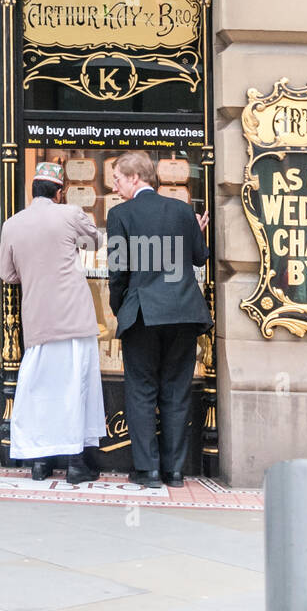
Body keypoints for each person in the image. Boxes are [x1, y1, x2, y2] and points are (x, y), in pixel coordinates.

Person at [106, 150, 211, 489]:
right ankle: (175, 472)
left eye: (118, 179)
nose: (116, 186)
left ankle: (148, 470)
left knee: (141, 391)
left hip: (142, 314)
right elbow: (198, 258)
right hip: (183, 312)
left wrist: (119, 307)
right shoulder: (182, 210)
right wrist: (194, 231)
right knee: (176, 391)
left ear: (135, 178)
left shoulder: (120, 214)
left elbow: (118, 271)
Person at [0, 161, 106, 485]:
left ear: (33, 191)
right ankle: (76, 463)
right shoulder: (70, 214)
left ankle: (40, 463)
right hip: (73, 314)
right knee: (77, 387)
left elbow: (8, 274)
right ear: (59, 192)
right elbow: (95, 243)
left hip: (39, 318)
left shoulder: (12, 224)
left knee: (40, 391)